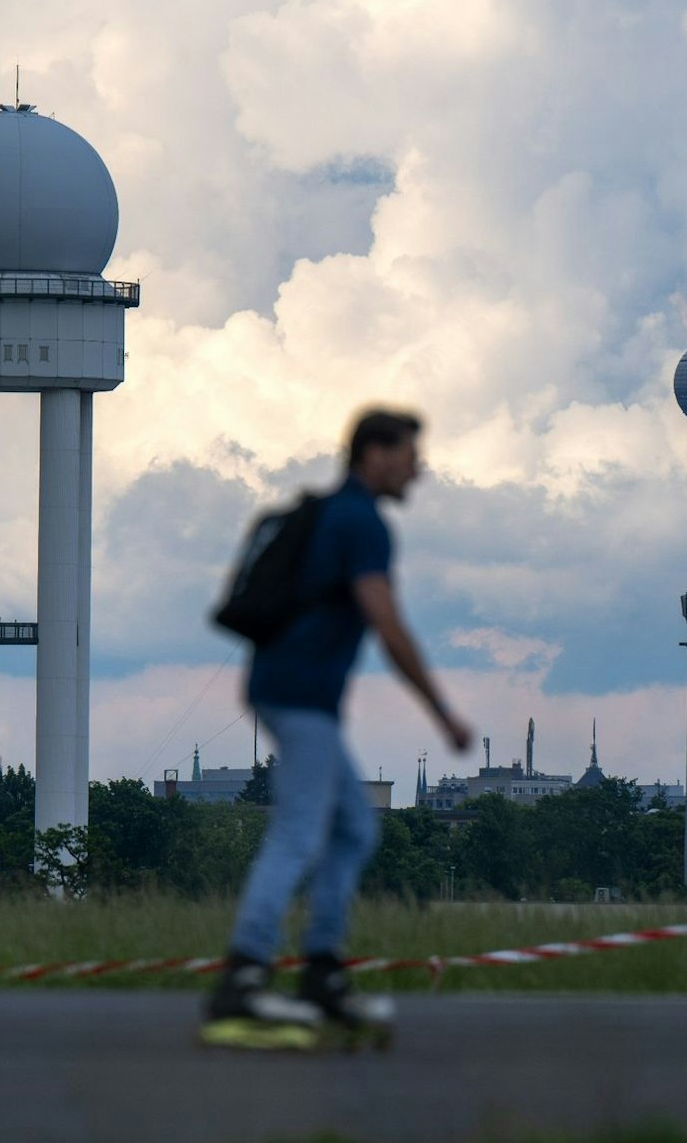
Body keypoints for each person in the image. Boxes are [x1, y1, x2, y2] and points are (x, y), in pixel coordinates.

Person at [205, 408, 474, 1046]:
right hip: (300, 695)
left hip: (290, 689)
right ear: (375, 454)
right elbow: (386, 623)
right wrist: (442, 712)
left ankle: (322, 972)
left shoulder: (333, 514)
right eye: (412, 453)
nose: (419, 468)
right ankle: (243, 976)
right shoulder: (361, 523)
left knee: (352, 826)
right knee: (299, 832)